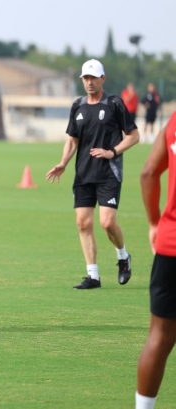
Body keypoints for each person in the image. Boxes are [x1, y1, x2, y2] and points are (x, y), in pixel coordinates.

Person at [46, 59, 139, 289]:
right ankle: (93, 276)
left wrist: (112, 152)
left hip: (109, 174)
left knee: (107, 223)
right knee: (83, 224)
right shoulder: (77, 105)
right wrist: (63, 162)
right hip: (83, 175)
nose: (89, 82)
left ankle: (123, 257)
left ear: (102, 79)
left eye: (93, 78)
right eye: (85, 78)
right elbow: (72, 140)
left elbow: (134, 135)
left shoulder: (114, 103)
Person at [136, 110, 176, 409]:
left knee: (159, 336)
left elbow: (148, 172)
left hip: (170, 243)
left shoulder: (174, 121)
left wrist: (153, 223)